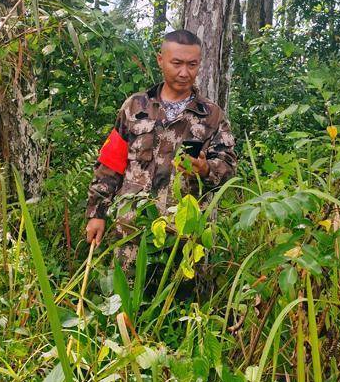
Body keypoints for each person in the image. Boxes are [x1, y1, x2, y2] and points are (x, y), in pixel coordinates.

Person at [84, 29, 236, 271]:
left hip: (182, 240)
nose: (184, 73)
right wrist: (96, 213)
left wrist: (206, 168)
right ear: (160, 60)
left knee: (178, 295)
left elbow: (228, 169)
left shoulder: (212, 116)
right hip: (131, 234)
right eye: (177, 63)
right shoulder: (135, 107)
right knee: (125, 294)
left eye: (192, 65)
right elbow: (110, 164)